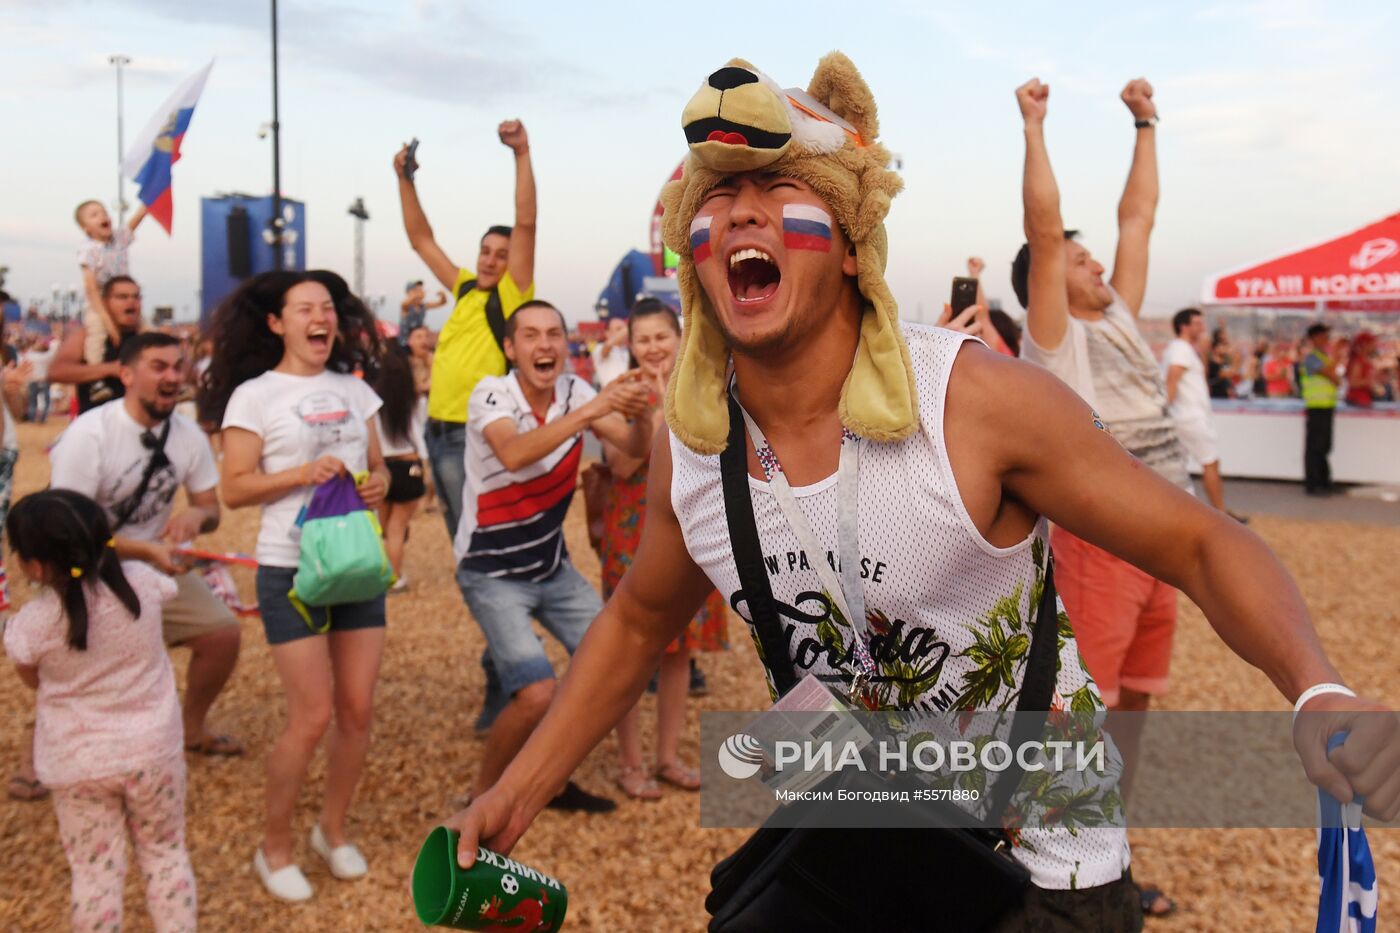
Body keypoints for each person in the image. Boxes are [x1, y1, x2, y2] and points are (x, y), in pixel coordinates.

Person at [443, 55, 1399, 930]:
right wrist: (517, 793)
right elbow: (638, 617)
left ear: (852, 246)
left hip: (1042, 877)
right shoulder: (694, 450)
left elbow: (1201, 542)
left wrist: (1316, 687)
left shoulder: (976, 402)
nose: (741, 213)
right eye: (720, 197)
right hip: (846, 852)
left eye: (781, 190)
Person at [1014, 75, 1189, 917]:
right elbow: (1046, 234)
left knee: (1138, 705)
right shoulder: (1059, 341)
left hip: (1160, 535)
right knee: (1090, 709)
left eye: (1093, 262)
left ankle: (1113, 845)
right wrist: (1035, 127)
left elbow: (1136, 219)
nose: (1096, 265)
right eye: (1079, 262)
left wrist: (1145, 124)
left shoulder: (1117, 312)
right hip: (1104, 543)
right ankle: (1070, 870)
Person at [199, 270, 391, 901]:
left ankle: (331, 833)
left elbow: (380, 469)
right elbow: (234, 487)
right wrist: (304, 473)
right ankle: (272, 847)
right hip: (289, 566)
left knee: (357, 711)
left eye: (328, 307)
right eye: (305, 307)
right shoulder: (254, 395)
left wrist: (378, 485)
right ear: (277, 323)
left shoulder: (355, 391)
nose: (321, 316)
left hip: (356, 562)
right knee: (311, 717)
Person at [455, 300, 652, 812]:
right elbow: (515, 452)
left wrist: (641, 414)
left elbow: (631, 455)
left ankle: (551, 781)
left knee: (613, 664)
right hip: (490, 569)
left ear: (566, 344)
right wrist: (595, 409)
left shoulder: (574, 390)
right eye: (531, 335)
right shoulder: (491, 392)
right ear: (510, 347)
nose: (544, 345)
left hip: (551, 566)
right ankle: (481, 800)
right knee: (537, 694)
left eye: (554, 334)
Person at [395, 122, 537, 733]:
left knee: (480, 561)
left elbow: (525, 223)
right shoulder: (462, 289)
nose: (491, 259)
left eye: (501, 254)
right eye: (486, 251)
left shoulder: (512, 290)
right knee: (471, 559)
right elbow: (420, 236)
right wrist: (402, 178)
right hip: (440, 435)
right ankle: (506, 667)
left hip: (475, 440)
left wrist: (522, 155)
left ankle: (506, 677)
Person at [4, 489, 197, 931]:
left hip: (78, 763)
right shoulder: (143, 586)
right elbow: (168, 583)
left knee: (95, 875)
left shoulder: (32, 626)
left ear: (33, 565)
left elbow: (33, 678)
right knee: (166, 854)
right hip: (153, 751)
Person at [50, 330, 244, 760]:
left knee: (222, 636)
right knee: (66, 662)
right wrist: (146, 551)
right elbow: (67, 533)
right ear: (126, 374)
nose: (172, 376)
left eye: (178, 366)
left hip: (154, 566)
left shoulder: (188, 434)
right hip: (88, 567)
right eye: (158, 367)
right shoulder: (89, 434)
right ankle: (40, 754)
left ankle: (192, 729)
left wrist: (196, 517)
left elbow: (211, 508)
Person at [599, 299, 726, 800]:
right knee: (627, 649)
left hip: (696, 524)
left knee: (680, 651)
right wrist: (653, 409)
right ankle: (631, 762)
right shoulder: (618, 395)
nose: (653, 348)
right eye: (643, 339)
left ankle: (668, 756)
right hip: (635, 526)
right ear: (629, 345)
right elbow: (623, 464)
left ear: (679, 336)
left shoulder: (705, 384)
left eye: (661, 337)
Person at [1162, 308, 1244, 521]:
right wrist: (1163, 411)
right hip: (1189, 417)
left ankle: (1201, 513)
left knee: (1181, 467)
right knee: (1210, 462)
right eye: (1197, 323)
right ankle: (1221, 515)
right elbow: (1172, 381)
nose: (1202, 328)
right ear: (1184, 326)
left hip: (1186, 416)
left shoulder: (1184, 350)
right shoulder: (1180, 350)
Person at [76, 200, 148, 384]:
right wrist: (109, 323)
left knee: (148, 332)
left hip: (124, 297)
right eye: (94, 215)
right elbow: (91, 289)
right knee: (96, 336)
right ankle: (96, 380)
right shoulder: (88, 250)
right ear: (86, 229)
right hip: (100, 301)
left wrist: (153, 193)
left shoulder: (119, 238)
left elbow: (138, 217)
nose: (103, 216)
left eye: (104, 212)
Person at [373, 348, 427, 589]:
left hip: (380, 467)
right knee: (397, 528)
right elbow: (421, 433)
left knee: (382, 527)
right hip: (408, 466)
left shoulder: (371, 402)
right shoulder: (415, 401)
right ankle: (394, 578)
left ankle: (377, 572)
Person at [49, 275, 143, 414]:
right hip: (98, 423)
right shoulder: (86, 336)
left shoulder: (147, 336)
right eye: (122, 297)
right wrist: (111, 369)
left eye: (136, 297)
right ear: (104, 302)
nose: (131, 302)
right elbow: (57, 372)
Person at [1300, 322, 1340, 495]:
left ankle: (1323, 482)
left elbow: (1335, 378)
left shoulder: (1322, 357)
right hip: (1316, 407)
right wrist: (1338, 355)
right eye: (1324, 336)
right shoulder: (1312, 358)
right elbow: (1331, 375)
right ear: (1314, 338)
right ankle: (1315, 484)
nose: (1327, 339)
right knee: (1316, 447)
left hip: (1325, 406)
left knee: (1323, 446)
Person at [20, 335, 57, 422]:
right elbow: (53, 352)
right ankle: (42, 418)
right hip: (43, 380)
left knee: (32, 401)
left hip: (33, 380)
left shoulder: (29, 356)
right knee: (45, 402)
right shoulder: (46, 357)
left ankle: (32, 419)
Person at [399, 280, 447, 345]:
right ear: (409, 293)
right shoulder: (406, 307)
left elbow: (442, 303)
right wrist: (416, 294)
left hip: (418, 342)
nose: (420, 293)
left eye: (421, 290)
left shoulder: (424, 306)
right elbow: (405, 303)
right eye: (416, 290)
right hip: (405, 342)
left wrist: (443, 296)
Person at [590, 313, 631, 387]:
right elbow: (608, 345)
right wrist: (630, 326)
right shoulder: (599, 348)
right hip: (611, 396)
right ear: (607, 333)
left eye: (624, 328)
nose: (623, 333)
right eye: (619, 329)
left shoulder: (627, 351)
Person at [1344, 332, 1379, 408]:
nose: (1375, 346)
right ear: (1364, 344)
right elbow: (1353, 382)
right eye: (1372, 343)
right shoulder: (1358, 361)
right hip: (1357, 401)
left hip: (1364, 400)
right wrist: (1370, 382)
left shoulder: (1366, 360)